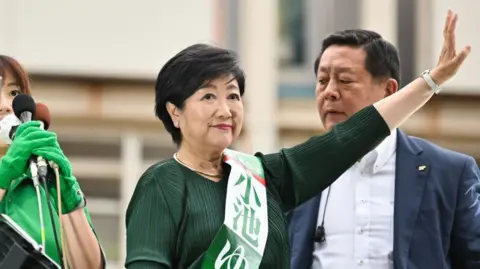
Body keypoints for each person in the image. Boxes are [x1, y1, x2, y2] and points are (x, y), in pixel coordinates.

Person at [125, 10, 471, 269]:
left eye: (233, 96)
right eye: (208, 97)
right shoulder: (162, 184)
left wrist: (432, 80)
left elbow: (350, 139)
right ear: (175, 112)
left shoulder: (264, 177)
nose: (226, 110)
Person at [288, 11, 480, 269]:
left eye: (344, 81)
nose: (330, 92)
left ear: (389, 90)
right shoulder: (295, 172)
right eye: (322, 81)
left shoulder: (449, 172)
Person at [0, 55, 105, 268]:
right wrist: (6, 170)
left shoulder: (44, 175)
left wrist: (68, 196)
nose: (5, 106)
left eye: (14, 93)